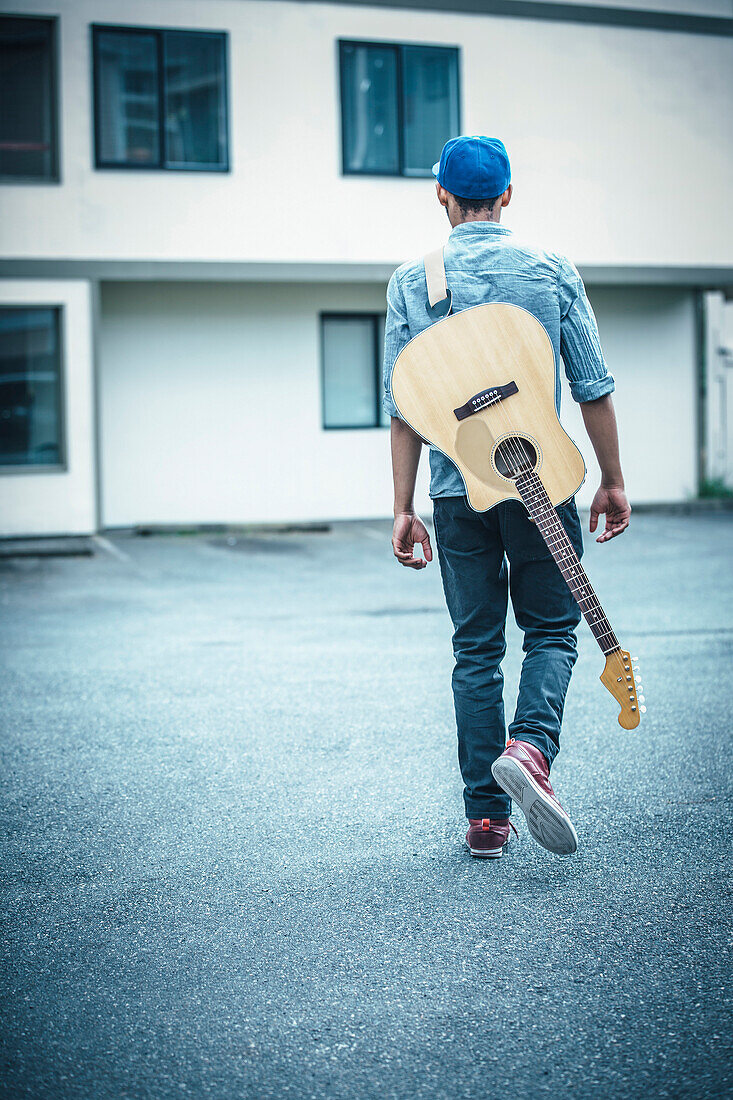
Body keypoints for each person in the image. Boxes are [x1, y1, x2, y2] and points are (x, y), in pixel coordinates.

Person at [382, 135, 630, 859]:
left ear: (441, 197)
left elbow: (401, 407)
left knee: (474, 650)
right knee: (552, 631)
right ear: (508, 197)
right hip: (540, 484)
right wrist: (611, 478)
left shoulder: (410, 281)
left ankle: (486, 820)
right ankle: (529, 751)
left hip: (459, 492)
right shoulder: (549, 268)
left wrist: (403, 506)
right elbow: (592, 385)